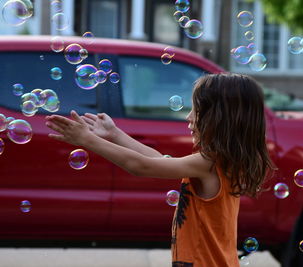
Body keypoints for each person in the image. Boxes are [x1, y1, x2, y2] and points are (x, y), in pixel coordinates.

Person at [45, 73, 275, 267]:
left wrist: (87, 140)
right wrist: (115, 135)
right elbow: (159, 160)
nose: (188, 117)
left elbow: (142, 166)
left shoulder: (208, 163)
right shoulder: (222, 163)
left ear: (218, 118)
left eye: (196, 110)